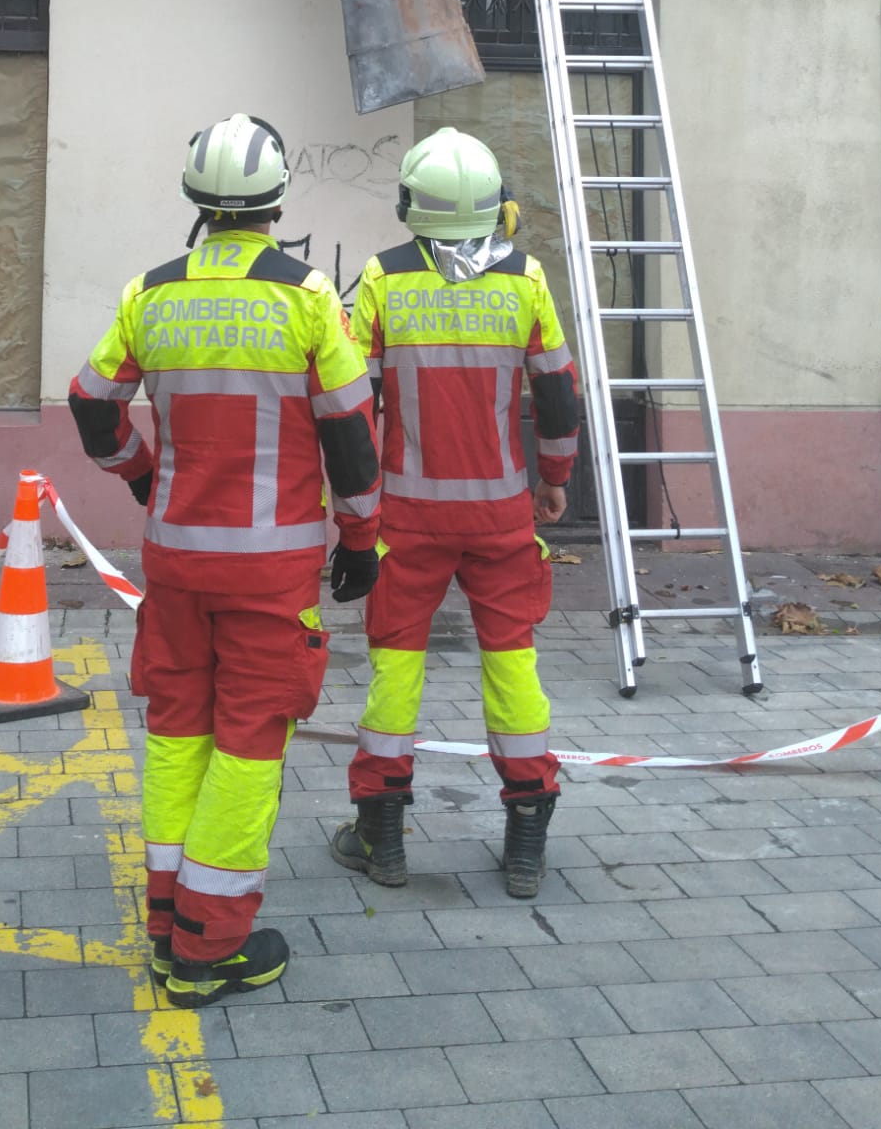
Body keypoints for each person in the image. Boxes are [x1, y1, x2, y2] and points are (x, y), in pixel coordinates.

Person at [68, 112, 381, 1006]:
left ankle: (169, 924)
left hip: (173, 566)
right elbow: (351, 439)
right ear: (278, 202)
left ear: (194, 201)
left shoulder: (149, 295)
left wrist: (142, 476)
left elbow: (92, 404)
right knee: (249, 745)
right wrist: (360, 544)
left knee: (175, 733)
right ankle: (209, 949)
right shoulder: (309, 298)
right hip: (271, 572)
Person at [329, 126, 581, 899]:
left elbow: (349, 403)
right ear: (494, 205)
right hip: (503, 517)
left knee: (395, 671)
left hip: (407, 520)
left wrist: (356, 518)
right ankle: (527, 832)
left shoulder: (383, 280)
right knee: (512, 665)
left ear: (411, 205)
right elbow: (557, 392)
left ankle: (382, 834)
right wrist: (555, 477)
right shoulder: (525, 280)